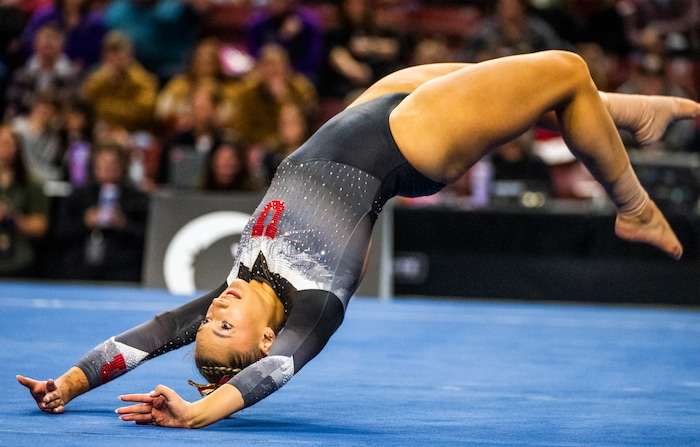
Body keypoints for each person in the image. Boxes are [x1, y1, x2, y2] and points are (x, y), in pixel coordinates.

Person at [17, 51, 698, 428]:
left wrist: (70, 383)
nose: (215, 311)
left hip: (359, 117)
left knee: (509, 83)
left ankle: (632, 114)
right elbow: (277, 371)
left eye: (210, 321)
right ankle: (634, 204)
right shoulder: (314, 306)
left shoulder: (238, 289)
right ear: (260, 341)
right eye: (224, 328)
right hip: (408, 143)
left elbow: (145, 336)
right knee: (564, 68)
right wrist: (198, 414)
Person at [50, 143, 149, 282]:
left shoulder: (137, 199)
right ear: (94, 166)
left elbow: (148, 236)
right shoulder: (78, 196)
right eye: (103, 164)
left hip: (121, 272)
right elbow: (59, 231)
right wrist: (84, 221)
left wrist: (123, 224)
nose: (108, 169)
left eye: (113, 164)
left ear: (122, 166)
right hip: (79, 271)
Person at [0, 123, 49, 277]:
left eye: (10, 143)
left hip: (19, 260)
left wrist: (12, 218)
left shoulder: (33, 184)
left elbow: (41, 226)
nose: (5, 148)